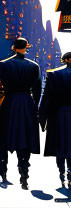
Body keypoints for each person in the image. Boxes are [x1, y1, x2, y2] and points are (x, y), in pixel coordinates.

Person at [39, 51, 71, 190]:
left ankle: (61, 172)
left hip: (58, 114)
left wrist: (43, 118)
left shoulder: (53, 74)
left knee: (59, 145)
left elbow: (46, 98)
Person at [0, 36, 42, 189]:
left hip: (8, 102)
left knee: (3, 135)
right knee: (25, 136)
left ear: (13, 47)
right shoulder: (34, 66)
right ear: (26, 48)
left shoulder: (3, 65)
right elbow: (37, 90)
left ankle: (3, 169)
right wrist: (35, 106)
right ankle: (24, 170)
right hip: (26, 102)